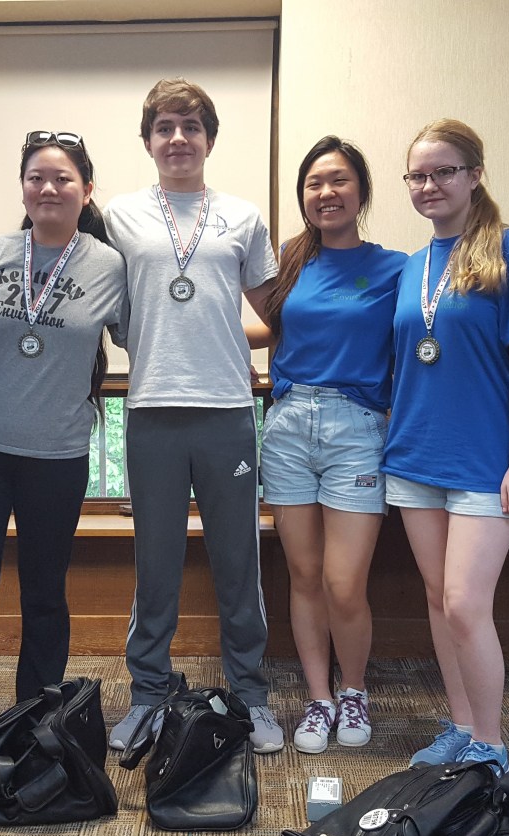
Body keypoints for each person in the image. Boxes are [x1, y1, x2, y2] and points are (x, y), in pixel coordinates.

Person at [0, 131, 127, 758]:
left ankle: (37, 715)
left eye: (63, 178)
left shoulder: (109, 266)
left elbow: (144, 341)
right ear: (23, 187)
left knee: (44, 592)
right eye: (37, 177)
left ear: (85, 190)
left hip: (58, 457)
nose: (49, 188)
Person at [105, 78, 284, 754]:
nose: (177, 138)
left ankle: (252, 694)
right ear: (148, 140)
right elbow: (77, 275)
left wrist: (236, 342)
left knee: (238, 563)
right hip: (150, 407)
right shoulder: (119, 215)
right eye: (164, 127)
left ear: (209, 138)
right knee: (156, 565)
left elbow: (275, 312)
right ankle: (149, 693)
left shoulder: (242, 216)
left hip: (227, 413)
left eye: (190, 126)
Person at [382, 119, 509, 772]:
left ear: (475, 174)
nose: (430, 185)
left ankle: (490, 745)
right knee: (436, 599)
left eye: (444, 171)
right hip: (415, 456)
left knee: (465, 603)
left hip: (486, 462)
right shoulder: (411, 265)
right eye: (418, 175)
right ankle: (460, 724)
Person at [251, 136, 407, 754]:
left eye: (339, 181)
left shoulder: (396, 266)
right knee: (305, 573)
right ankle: (318, 698)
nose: (326, 193)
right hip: (288, 425)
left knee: (345, 582)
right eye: (314, 183)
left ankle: (355, 689)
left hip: (357, 427)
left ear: (362, 191)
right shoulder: (290, 259)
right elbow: (268, 329)